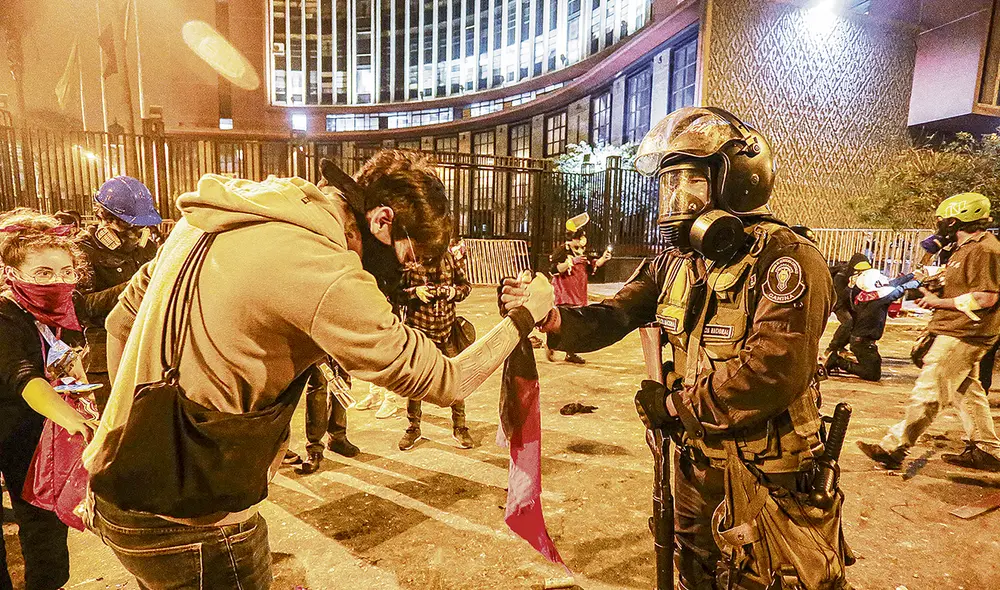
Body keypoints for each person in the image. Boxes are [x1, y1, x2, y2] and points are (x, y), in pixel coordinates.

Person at [84, 150, 553, 589]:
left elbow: (120, 322)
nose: (404, 272)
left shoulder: (210, 220)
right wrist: (527, 313)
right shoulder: (322, 268)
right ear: (382, 221)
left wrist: (122, 435)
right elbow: (448, 381)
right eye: (407, 257)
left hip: (117, 492)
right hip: (194, 525)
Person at [503, 107, 847, 589]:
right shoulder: (675, 261)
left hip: (768, 475)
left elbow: (771, 371)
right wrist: (550, 315)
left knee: (768, 578)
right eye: (669, 184)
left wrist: (672, 405)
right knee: (694, 573)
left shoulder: (786, 260)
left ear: (737, 181)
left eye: (693, 182)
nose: (678, 198)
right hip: (692, 460)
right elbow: (615, 315)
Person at [858, 192, 1000, 472]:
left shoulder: (986, 249)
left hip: (963, 332)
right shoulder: (965, 248)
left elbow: (987, 298)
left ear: (958, 219)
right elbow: (963, 286)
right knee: (965, 390)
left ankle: (894, 447)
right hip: (957, 329)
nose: (940, 225)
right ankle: (986, 449)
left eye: (944, 220)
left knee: (928, 391)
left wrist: (939, 302)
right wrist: (935, 286)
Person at [0, 209, 100, 590]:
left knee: (44, 521)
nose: (57, 281)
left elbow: (71, 366)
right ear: (13, 273)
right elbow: (24, 378)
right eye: (43, 273)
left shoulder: (59, 311)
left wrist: (90, 410)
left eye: (65, 272)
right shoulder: (5, 314)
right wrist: (71, 419)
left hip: (33, 433)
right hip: (18, 416)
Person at [75, 176, 161, 411]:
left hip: (142, 339)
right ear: (103, 217)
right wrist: (134, 286)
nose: (135, 233)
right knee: (113, 415)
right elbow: (82, 307)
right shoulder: (83, 251)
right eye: (127, 225)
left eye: (140, 226)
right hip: (102, 345)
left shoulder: (146, 247)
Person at [396, 241, 475, 451]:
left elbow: (466, 286)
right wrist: (415, 292)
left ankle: (460, 426)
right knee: (416, 381)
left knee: (456, 379)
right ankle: (413, 427)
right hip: (419, 331)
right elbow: (395, 292)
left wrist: (452, 292)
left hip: (447, 331)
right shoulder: (411, 260)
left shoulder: (449, 258)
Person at [826, 268, 920, 382]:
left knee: (873, 367)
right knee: (872, 374)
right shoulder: (879, 300)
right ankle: (837, 361)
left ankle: (838, 360)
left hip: (860, 341)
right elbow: (900, 289)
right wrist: (919, 282)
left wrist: (912, 275)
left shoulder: (866, 296)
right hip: (862, 343)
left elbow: (892, 284)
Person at [546, 214, 612, 364]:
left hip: (578, 294)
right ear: (574, 238)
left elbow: (591, 266)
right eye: (582, 237)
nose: (584, 240)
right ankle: (551, 345)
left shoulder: (582, 251)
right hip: (564, 293)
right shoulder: (563, 250)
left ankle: (571, 352)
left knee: (574, 325)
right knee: (559, 322)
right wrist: (572, 262)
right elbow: (553, 269)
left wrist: (603, 259)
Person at [297, 358, 359, 474]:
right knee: (318, 383)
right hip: (319, 343)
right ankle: (314, 447)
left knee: (343, 380)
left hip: (343, 341)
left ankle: (338, 437)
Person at [823, 253, 871, 362]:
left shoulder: (867, 277)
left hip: (851, 302)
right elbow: (839, 298)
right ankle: (832, 348)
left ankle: (842, 347)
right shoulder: (841, 276)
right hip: (837, 302)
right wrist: (850, 286)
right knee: (848, 322)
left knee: (860, 321)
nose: (861, 274)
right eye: (858, 271)